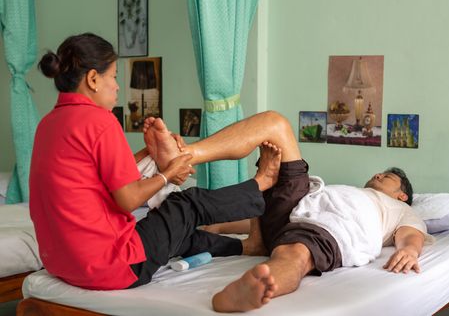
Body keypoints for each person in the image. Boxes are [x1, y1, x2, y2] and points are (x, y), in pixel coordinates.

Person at [29, 33, 298, 290]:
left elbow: (95, 178)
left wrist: (149, 156)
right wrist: (167, 174)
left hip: (64, 264)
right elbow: (127, 199)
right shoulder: (100, 121)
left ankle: (247, 247)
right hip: (112, 268)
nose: (117, 85)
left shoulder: (48, 124)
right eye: (113, 76)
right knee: (184, 205)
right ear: (92, 79)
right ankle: (260, 183)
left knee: (172, 228)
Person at [142, 117, 432, 313]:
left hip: (333, 227)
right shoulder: (349, 189)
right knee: (276, 124)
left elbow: (410, 234)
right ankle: (184, 156)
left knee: (295, 253)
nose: (379, 174)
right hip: (301, 205)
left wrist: (410, 251)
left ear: (402, 194)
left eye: (389, 177)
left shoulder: (400, 209)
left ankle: (254, 289)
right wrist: (217, 226)